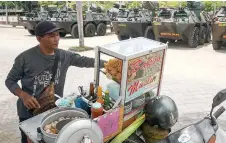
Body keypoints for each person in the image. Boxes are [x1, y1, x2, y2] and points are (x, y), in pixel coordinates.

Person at [5, 21, 105, 143]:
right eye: (51, 36)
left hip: (52, 111)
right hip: (28, 112)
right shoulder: (25, 58)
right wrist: (23, 95)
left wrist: (108, 63)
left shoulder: (64, 56)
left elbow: (85, 61)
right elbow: (10, 80)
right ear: (38, 38)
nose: (56, 39)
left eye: (57, 34)